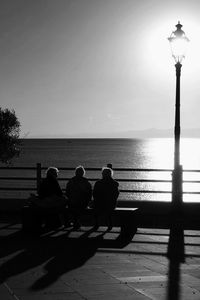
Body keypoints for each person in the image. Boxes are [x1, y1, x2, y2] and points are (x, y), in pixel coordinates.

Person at [93, 167, 119, 231]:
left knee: (96, 207)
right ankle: (110, 224)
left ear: (102, 174)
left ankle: (97, 223)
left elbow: (94, 194)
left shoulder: (98, 183)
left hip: (100, 203)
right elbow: (116, 195)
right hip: (110, 204)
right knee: (108, 209)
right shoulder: (114, 183)